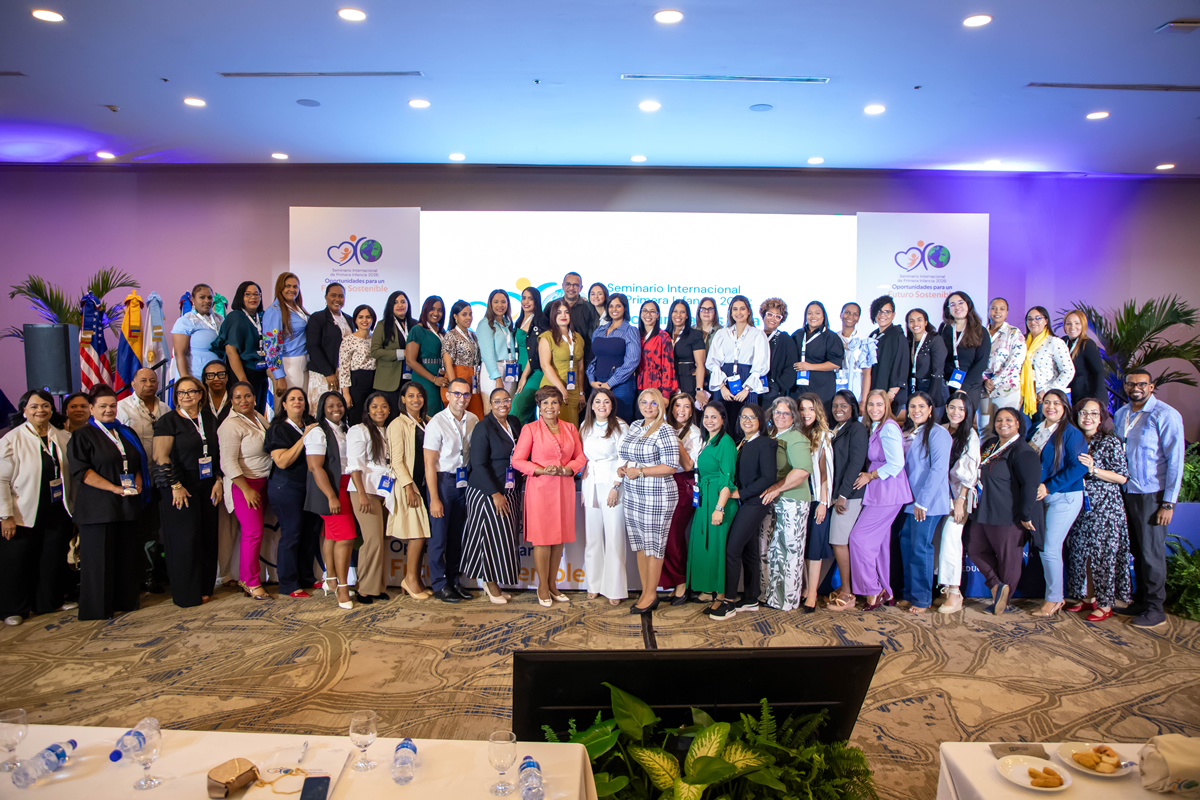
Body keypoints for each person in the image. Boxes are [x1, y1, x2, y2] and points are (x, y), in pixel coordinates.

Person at [67, 385, 148, 620]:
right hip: (98, 508)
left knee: (126, 557)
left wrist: (139, 482)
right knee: (98, 561)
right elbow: (82, 472)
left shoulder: (125, 431)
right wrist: (114, 488)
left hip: (126, 505)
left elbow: (135, 462)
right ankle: (98, 609)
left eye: (112, 405)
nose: (109, 410)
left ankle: (125, 601)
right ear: (91, 408)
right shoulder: (82, 435)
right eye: (102, 406)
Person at [1113, 369, 1185, 629]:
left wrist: (1168, 503)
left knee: (1151, 552)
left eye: (1141, 384)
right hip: (1127, 492)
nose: (1136, 388)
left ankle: (1156, 608)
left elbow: (1175, 461)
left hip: (1152, 495)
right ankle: (1142, 600)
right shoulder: (1121, 414)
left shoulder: (1165, 415)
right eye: (1131, 383)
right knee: (1137, 550)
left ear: (1151, 387)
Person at [0, 390, 76, 626]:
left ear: (51, 409)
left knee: (51, 558)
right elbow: (1, 480)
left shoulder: (63, 436)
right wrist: (6, 516)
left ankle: (48, 602)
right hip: (22, 513)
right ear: (24, 411)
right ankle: (14, 609)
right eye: (33, 407)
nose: (40, 410)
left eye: (45, 405)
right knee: (17, 561)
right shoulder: (11, 440)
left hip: (57, 508)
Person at [152, 375, 222, 608]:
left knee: (207, 538)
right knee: (186, 540)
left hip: (207, 486)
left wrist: (219, 479)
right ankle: (186, 593)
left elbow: (217, 452)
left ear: (201, 394)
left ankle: (204, 587)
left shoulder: (209, 419)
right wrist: (175, 485)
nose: (186, 396)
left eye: (191, 392)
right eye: (181, 393)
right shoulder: (168, 421)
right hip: (180, 487)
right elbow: (160, 457)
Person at [512, 386, 586, 606]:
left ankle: (553, 584)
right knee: (543, 540)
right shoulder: (530, 429)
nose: (550, 407)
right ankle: (542, 586)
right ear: (539, 407)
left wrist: (567, 469)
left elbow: (581, 457)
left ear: (560, 405)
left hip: (564, 487)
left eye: (553, 402)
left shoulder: (571, 428)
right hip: (541, 488)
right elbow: (517, 460)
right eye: (545, 403)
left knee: (558, 539)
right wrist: (541, 469)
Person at [969, 407, 1042, 615]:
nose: (1003, 423)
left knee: (1009, 560)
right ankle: (996, 586)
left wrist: (1026, 515)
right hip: (983, 511)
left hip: (1008, 516)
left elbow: (1030, 486)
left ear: (1018, 423)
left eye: (1009, 420)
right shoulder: (990, 444)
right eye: (999, 420)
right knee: (974, 549)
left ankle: (1002, 601)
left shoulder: (1023, 451)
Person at [1065, 398, 1131, 622]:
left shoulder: (1111, 442)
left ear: (1101, 417)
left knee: (1103, 555)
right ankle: (1088, 598)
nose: (1088, 417)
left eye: (1093, 413)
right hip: (1078, 506)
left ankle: (1105, 604)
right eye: (1083, 413)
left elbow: (1122, 477)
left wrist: (1094, 470)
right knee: (1082, 553)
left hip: (1106, 508)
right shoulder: (1073, 440)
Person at [708, 402, 774, 620]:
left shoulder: (766, 444)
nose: (746, 420)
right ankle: (751, 597)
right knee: (749, 550)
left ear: (760, 422)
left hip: (754, 503)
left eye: (752, 417)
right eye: (743, 417)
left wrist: (741, 493)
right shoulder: (740, 443)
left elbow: (768, 478)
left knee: (732, 549)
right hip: (745, 503)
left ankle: (728, 602)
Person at [847, 389, 912, 611]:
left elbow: (896, 464)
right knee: (880, 544)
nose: (875, 409)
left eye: (879, 405)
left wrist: (870, 475)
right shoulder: (876, 427)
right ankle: (886, 590)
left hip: (887, 491)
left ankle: (873, 589)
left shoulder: (889, 428)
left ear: (887, 407)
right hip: (879, 491)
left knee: (859, 539)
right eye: (871, 405)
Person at [617, 389, 681, 614]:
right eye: (643, 402)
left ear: (660, 407)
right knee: (640, 544)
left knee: (654, 545)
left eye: (653, 403)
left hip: (657, 494)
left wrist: (641, 471)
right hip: (634, 493)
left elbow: (671, 466)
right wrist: (624, 467)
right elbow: (629, 454)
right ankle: (646, 590)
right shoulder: (635, 425)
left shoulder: (665, 430)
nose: (648, 406)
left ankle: (651, 594)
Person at [1027, 388, 1087, 617]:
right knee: (1044, 547)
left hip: (1065, 496)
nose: (1050, 407)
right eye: (1047, 402)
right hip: (1041, 498)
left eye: (1056, 403)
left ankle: (1054, 599)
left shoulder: (1071, 433)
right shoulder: (1036, 429)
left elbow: (1079, 467)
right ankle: (1053, 596)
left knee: (1050, 549)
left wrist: (1049, 486)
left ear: (1064, 407)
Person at [463, 387, 524, 604]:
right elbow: (478, 465)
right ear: (490, 405)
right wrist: (495, 494)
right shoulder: (483, 427)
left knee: (504, 540)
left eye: (506, 400)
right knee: (488, 539)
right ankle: (489, 583)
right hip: (487, 492)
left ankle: (496, 582)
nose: (502, 405)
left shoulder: (515, 422)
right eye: (497, 402)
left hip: (510, 489)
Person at [424, 377, 480, 603]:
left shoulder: (474, 419)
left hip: (463, 482)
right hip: (442, 482)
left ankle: (454, 580)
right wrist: (434, 498)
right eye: (457, 394)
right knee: (439, 537)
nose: (462, 399)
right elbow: (429, 463)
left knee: (458, 536)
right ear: (447, 395)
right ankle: (439, 584)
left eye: (466, 394)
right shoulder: (436, 423)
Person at [896, 391, 952, 615]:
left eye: (921, 406)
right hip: (909, 501)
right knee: (907, 546)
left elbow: (939, 470)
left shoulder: (939, 434)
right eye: (912, 406)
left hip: (927, 503)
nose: (916, 410)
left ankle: (922, 598)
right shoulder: (907, 432)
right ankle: (910, 593)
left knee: (920, 547)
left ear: (930, 410)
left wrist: (923, 502)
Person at [264, 387, 321, 598]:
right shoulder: (278, 429)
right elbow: (282, 461)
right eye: (292, 399)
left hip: (310, 487)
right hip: (286, 487)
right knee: (292, 533)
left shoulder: (312, 424)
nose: (297, 402)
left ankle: (306, 576)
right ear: (284, 404)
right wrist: (304, 438)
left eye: (300, 398)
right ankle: (288, 584)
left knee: (310, 533)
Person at [218, 381, 272, 599]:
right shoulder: (230, 426)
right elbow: (228, 463)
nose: (243, 400)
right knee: (253, 532)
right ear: (231, 401)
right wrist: (246, 489)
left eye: (247, 396)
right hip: (244, 485)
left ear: (254, 397)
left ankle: (244, 576)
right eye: (238, 397)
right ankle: (250, 582)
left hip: (264, 481)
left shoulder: (258, 417)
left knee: (254, 533)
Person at [758, 396, 812, 612]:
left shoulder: (796, 438)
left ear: (793, 417)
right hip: (777, 500)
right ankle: (771, 596)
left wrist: (777, 488)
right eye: (777, 412)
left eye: (785, 413)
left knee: (789, 552)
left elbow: (801, 471)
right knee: (774, 551)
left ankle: (786, 600)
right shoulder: (773, 435)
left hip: (794, 501)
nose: (780, 416)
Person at [117, 367, 168, 592]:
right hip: (132, 480)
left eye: (153, 380)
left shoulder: (165, 408)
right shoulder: (121, 408)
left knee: (152, 529)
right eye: (143, 380)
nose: (149, 384)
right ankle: (129, 576)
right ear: (134, 384)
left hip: (158, 479)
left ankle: (148, 575)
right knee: (130, 529)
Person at [303, 391, 355, 609]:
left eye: (339, 405)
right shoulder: (318, 431)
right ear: (322, 408)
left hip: (346, 484)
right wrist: (331, 496)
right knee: (346, 537)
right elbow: (315, 467)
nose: (336, 409)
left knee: (332, 534)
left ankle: (330, 579)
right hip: (330, 490)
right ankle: (342, 588)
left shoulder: (345, 428)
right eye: (331, 406)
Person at [579, 388, 629, 605]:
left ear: (612, 405)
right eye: (597, 401)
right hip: (591, 483)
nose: (602, 405)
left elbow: (625, 458)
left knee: (614, 536)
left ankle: (615, 588)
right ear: (591, 405)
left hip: (612, 483)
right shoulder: (585, 426)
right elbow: (580, 453)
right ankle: (594, 584)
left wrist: (616, 486)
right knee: (592, 538)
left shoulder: (620, 426)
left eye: (606, 402)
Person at [385, 382, 433, 599]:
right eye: (411, 396)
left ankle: (416, 579)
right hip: (410, 485)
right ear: (403, 399)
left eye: (419, 395)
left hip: (426, 483)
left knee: (423, 534)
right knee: (417, 534)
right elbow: (396, 461)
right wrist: (407, 487)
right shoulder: (397, 424)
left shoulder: (428, 422)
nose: (416, 399)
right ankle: (409, 579)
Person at [936, 392, 980, 614]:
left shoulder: (970, 434)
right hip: (937, 495)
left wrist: (961, 499)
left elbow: (969, 472)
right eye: (953, 407)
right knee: (936, 541)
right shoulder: (940, 429)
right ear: (946, 407)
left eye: (961, 409)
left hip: (958, 496)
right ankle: (941, 589)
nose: (956, 412)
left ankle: (955, 592)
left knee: (951, 539)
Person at [348, 392, 393, 604]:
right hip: (363, 491)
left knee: (381, 541)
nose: (379, 410)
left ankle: (377, 587)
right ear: (367, 410)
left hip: (383, 493)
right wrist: (362, 495)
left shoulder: (386, 431)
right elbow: (355, 465)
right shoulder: (359, 430)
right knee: (372, 540)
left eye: (383, 406)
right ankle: (364, 588)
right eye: (375, 406)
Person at [690, 402, 737, 607]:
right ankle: (709, 587)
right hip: (705, 497)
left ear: (723, 420)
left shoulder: (725, 443)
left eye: (714, 417)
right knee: (705, 544)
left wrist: (719, 508)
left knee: (718, 545)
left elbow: (728, 478)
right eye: (706, 416)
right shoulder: (707, 440)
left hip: (718, 499)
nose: (709, 420)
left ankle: (721, 593)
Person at [827, 390, 869, 611]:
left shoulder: (857, 428)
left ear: (852, 407)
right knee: (837, 541)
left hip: (850, 495)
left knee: (839, 541)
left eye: (843, 405)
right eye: (835, 405)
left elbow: (855, 463)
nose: (838, 409)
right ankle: (845, 588)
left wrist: (842, 495)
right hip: (838, 494)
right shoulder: (837, 430)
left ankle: (847, 593)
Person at [705, 295, 769, 437]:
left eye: (742, 309)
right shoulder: (722, 333)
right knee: (722, 422)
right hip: (724, 381)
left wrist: (746, 389)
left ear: (748, 312)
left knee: (746, 424)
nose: (738, 312)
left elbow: (761, 365)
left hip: (747, 381)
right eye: (735, 309)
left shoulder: (758, 334)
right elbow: (713, 363)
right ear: (730, 312)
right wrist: (722, 387)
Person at [661, 392, 703, 604]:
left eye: (687, 406)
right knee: (664, 536)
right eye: (678, 406)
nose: (681, 410)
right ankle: (673, 581)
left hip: (683, 484)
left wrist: (675, 441)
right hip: (661, 483)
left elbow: (688, 465)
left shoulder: (694, 433)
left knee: (674, 535)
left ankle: (682, 583)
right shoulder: (662, 426)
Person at [797, 393, 835, 613]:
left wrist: (823, 502)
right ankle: (803, 589)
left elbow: (825, 473)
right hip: (798, 500)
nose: (806, 413)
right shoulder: (795, 434)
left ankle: (812, 594)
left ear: (817, 411)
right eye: (802, 409)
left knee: (814, 549)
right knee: (801, 546)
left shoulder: (823, 436)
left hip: (817, 500)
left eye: (810, 409)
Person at [213, 280, 268, 411]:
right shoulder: (235, 317)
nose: (253, 297)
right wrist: (243, 380)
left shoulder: (262, 315)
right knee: (245, 412)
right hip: (244, 371)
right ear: (240, 296)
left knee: (259, 412)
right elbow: (231, 351)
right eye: (248, 294)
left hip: (262, 372)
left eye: (256, 294)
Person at [588, 293, 640, 421]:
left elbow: (632, 362)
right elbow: (593, 358)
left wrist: (610, 383)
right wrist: (591, 380)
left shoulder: (630, 331)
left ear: (625, 308)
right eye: (611, 306)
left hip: (621, 386)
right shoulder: (599, 330)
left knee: (621, 422)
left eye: (618, 306)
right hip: (598, 383)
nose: (614, 309)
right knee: (600, 421)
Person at [263, 272, 311, 403]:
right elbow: (271, 346)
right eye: (287, 286)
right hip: (288, 363)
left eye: (295, 286)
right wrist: (279, 375)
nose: (292, 290)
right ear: (280, 288)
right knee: (290, 406)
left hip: (303, 361)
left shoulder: (297, 307)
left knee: (302, 405)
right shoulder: (275, 310)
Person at [981, 297, 1027, 432]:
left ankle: (1005, 454)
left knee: (1006, 429)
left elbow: (1015, 362)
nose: (997, 312)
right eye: (994, 308)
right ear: (988, 311)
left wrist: (994, 381)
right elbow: (976, 360)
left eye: (1002, 309)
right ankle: (987, 454)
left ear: (1007, 313)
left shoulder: (1014, 333)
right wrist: (984, 381)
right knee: (984, 429)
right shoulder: (981, 333)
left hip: (1006, 388)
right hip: (983, 389)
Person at [940, 292, 991, 411]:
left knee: (963, 420)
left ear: (968, 304)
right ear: (948, 309)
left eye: (960, 303)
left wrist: (964, 387)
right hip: (948, 383)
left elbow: (981, 363)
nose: (957, 307)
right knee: (946, 422)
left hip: (970, 384)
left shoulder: (980, 331)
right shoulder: (944, 328)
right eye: (952, 304)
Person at [1020, 305, 1075, 418]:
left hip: (1045, 397)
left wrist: (1047, 391)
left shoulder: (1054, 342)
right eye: (1029, 319)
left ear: (1046, 321)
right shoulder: (1021, 342)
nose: (1033, 322)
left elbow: (1068, 371)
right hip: (1023, 395)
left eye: (1038, 318)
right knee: (1025, 431)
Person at [791, 301, 844, 416]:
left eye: (817, 313)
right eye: (809, 313)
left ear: (823, 316)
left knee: (819, 419)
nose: (813, 316)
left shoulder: (831, 337)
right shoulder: (798, 335)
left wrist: (810, 366)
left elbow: (836, 363)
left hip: (822, 388)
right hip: (798, 387)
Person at [305, 282, 354, 407]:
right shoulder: (317, 318)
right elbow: (313, 347)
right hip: (323, 374)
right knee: (322, 409)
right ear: (326, 297)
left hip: (343, 375)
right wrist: (328, 373)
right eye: (333, 295)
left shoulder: (349, 319)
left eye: (341, 296)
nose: (337, 299)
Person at [540, 298, 587, 425]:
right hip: (553, 388)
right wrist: (561, 389)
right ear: (553, 315)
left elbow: (580, 367)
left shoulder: (578, 338)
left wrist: (581, 392)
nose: (563, 315)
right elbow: (545, 366)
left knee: (572, 427)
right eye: (559, 312)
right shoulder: (547, 337)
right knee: (554, 427)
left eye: (566, 312)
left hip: (573, 389)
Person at [370, 290, 417, 412]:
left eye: (403, 302)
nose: (400, 305)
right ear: (391, 305)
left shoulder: (416, 325)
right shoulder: (383, 325)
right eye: (396, 302)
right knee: (391, 416)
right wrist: (402, 353)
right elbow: (375, 351)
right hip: (389, 380)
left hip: (412, 377)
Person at [545, 271, 600, 370]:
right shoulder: (551, 306)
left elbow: (593, 338)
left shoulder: (589, 308)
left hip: (581, 363)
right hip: (554, 363)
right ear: (562, 286)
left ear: (581, 288)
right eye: (568, 284)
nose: (571, 288)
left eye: (575, 285)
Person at [441, 299, 486, 418]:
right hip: (457, 376)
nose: (469, 317)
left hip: (473, 380)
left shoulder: (473, 335)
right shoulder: (451, 335)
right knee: (458, 415)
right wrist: (454, 387)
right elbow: (448, 363)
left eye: (470, 314)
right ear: (455, 316)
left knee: (476, 416)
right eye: (464, 314)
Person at [476, 289, 519, 415]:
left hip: (511, 369)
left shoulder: (508, 323)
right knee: (493, 409)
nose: (500, 305)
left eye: (503, 302)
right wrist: (497, 378)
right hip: (494, 370)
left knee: (508, 409)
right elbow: (487, 354)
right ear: (490, 304)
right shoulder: (485, 324)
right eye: (496, 302)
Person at [406, 295, 448, 416]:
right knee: (428, 414)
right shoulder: (417, 330)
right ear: (425, 310)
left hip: (441, 380)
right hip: (425, 380)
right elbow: (410, 361)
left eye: (440, 310)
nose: (436, 313)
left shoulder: (442, 332)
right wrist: (434, 379)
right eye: (432, 309)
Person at [868, 295, 910, 416]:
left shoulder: (898, 336)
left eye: (887, 311)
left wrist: (890, 395)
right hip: (875, 392)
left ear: (893, 314)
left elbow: (901, 365)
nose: (882, 315)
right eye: (879, 311)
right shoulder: (873, 335)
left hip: (890, 396)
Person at [512, 286, 549, 423]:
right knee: (528, 415)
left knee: (517, 409)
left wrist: (524, 377)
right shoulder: (519, 321)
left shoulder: (539, 322)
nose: (526, 301)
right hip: (519, 371)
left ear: (536, 301)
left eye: (530, 299)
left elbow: (534, 352)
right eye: (524, 297)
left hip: (534, 372)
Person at [171, 283, 224, 379]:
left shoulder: (220, 319)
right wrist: (186, 380)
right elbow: (180, 354)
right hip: (195, 378)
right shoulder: (186, 321)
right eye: (202, 297)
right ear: (193, 299)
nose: (207, 301)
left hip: (217, 378)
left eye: (209, 297)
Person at [905, 308, 947, 417]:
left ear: (926, 322)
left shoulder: (935, 339)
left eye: (919, 320)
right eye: (911, 321)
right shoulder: (909, 341)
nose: (915, 324)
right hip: (914, 387)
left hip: (933, 387)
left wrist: (932, 397)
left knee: (933, 424)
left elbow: (938, 369)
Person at [339, 304, 379, 414]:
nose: (364, 320)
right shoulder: (348, 340)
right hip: (357, 382)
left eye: (368, 317)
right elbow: (343, 369)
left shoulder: (377, 339)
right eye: (360, 317)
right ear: (355, 320)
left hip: (375, 381)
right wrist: (346, 393)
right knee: (357, 417)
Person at [636, 301, 678, 405]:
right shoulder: (635, 334)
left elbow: (668, 367)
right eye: (645, 311)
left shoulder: (663, 337)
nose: (648, 314)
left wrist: (666, 395)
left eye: (652, 311)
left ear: (658, 315)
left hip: (656, 385)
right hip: (638, 384)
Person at [758, 297, 797, 408]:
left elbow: (791, 368)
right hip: (752, 389)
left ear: (782, 319)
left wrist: (777, 386)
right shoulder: (755, 336)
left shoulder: (785, 339)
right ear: (763, 314)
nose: (773, 319)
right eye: (770, 314)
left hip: (773, 393)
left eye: (778, 316)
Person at [835, 302, 876, 404]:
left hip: (857, 385)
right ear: (840, 314)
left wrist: (864, 400)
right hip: (835, 382)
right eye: (847, 312)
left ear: (858, 318)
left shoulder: (864, 340)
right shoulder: (833, 338)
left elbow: (867, 373)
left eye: (855, 314)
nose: (850, 316)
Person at [1063, 310, 1105, 405]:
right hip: (1069, 395)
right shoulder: (1063, 341)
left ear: (1083, 325)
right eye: (1068, 323)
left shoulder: (1087, 344)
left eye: (1077, 323)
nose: (1072, 327)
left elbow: (1099, 372)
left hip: (1086, 396)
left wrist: (1096, 400)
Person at [668, 300, 707, 399]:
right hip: (668, 383)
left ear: (687, 315)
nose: (678, 315)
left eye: (682, 312)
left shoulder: (695, 335)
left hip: (688, 382)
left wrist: (699, 389)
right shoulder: (664, 335)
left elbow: (700, 364)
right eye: (675, 311)